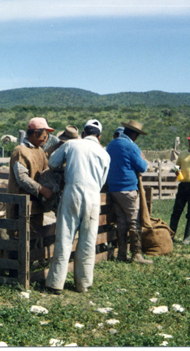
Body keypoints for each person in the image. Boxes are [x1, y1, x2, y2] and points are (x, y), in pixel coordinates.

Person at [45, 119, 110, 294]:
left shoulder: (72, 144)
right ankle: (83, 284)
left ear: (83, 133)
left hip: (72, 192)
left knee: (65, 238)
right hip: (93, 196)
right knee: (88, 240)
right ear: (99, 136)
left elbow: (52, 163)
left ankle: (56, 283)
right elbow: (102, 181)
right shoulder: (105, 154)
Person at [6, 117, 55, 277]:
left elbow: (46, 171)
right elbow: (22, 178)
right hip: (20, 203)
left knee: (33, 235)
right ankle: (15, 275)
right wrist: (42, 190)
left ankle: (28, 272)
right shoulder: (20, 151)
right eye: (44, 135)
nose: (46, 138)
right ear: (35, 133)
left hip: (35, 204)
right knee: (18, 236)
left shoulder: (40, 151)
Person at [106, 120, 153, 265]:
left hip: (113, 188)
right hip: (127, 188)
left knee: (121, 220)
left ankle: (121, 254)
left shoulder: (111, 144)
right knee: (133, 221)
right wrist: (143, 159)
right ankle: (136, 255)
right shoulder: (132, 146)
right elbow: (142, 166)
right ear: (133, 133)